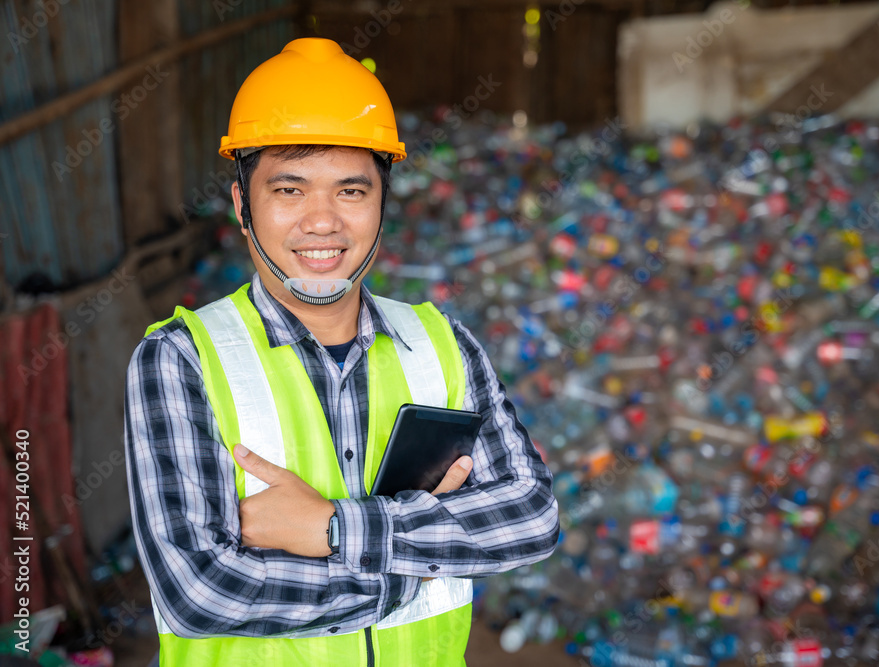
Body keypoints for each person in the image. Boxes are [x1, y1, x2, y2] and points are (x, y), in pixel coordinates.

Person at [123, 37, 560, 667]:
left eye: (351, 192)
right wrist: (417, 561)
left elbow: (529, 520)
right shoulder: (180, 360)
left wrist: (331, 528)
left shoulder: (444, 346)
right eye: (290, 190)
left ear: (382, 204)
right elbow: (201, 592)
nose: (323, 221)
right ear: (244, 206)